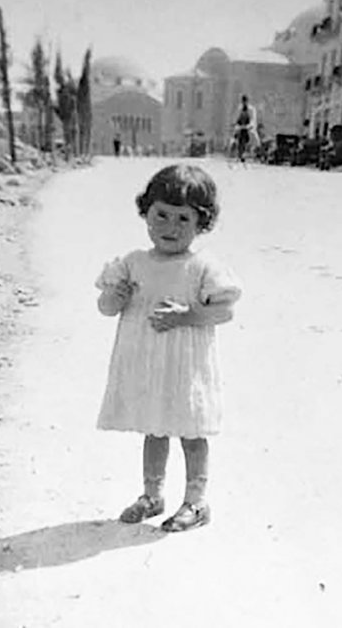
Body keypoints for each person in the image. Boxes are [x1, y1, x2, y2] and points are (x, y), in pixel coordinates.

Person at [95, 164, 242, 532]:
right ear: (146, 212)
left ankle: (196, 502)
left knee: (191, 433)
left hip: (185, 367)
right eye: (162, 215)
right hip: (148, 365)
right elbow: (105, 308)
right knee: (154, 428)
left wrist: (189, 314)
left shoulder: (203, 266)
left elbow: (224, 311)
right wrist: (117, 295)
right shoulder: (132, 263)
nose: (170, 227)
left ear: (200, 224)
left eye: (183, 219)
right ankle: (152, 495)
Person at [233, 95, 258, 162]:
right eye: (243, 101)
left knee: (247, 137)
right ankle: (240, 153)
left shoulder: (252, 109)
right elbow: (237, 119)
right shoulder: (239, 108)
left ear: (247, 101)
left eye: (245, 101)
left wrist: (247, 126)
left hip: (249, 128)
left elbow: (253, 120)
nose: (244, 103)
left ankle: (245, 153)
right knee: (238, 136)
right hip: (241, 128)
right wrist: (237, 126)